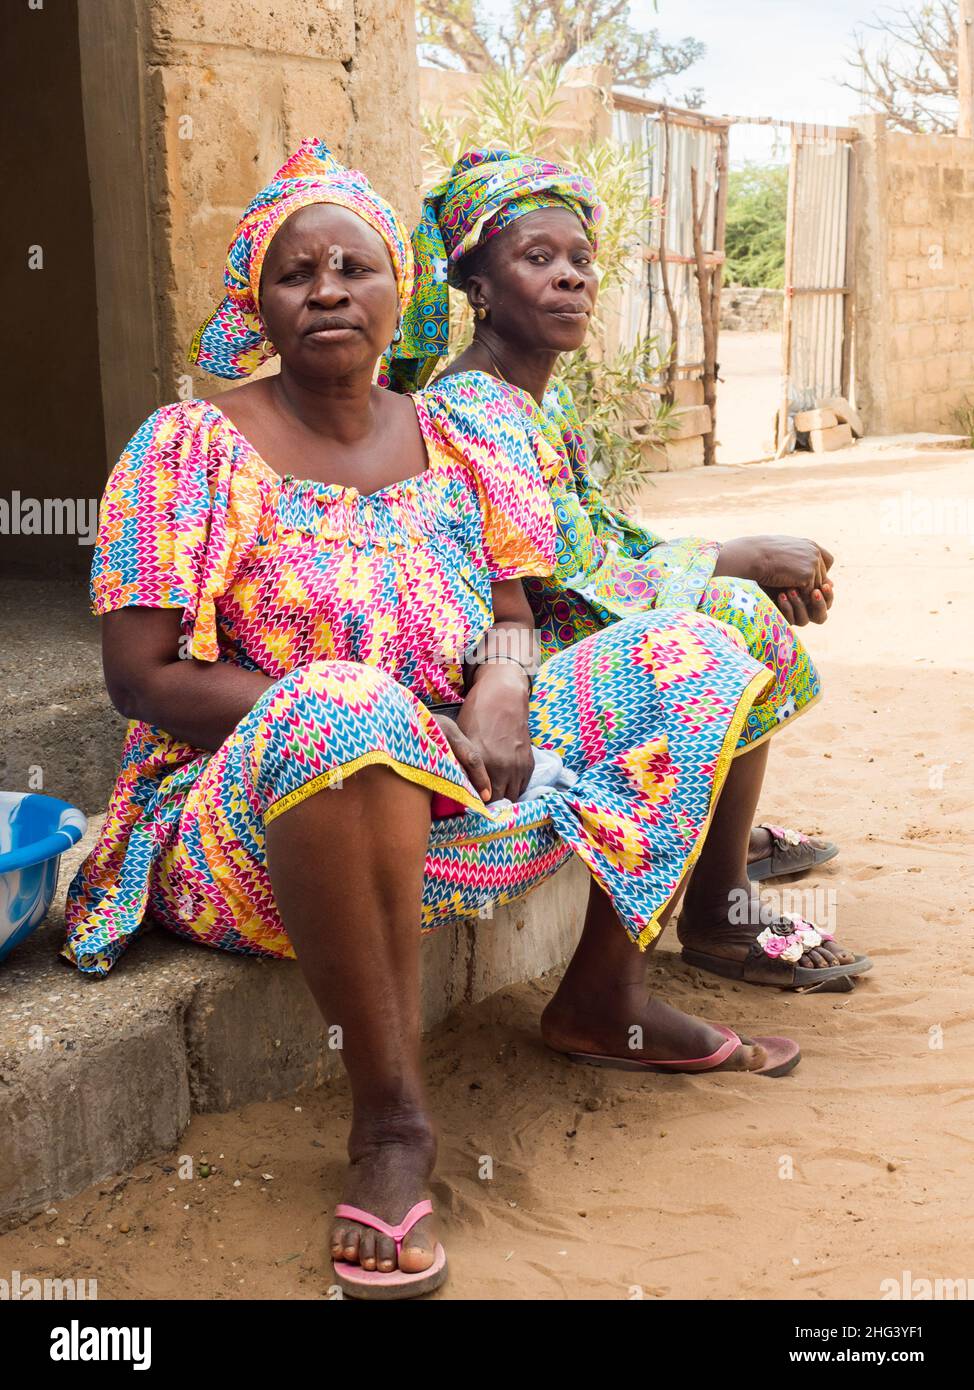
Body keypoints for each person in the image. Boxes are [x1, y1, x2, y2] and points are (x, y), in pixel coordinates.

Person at [65, 140, 811, 1300]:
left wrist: (499, 690)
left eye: (352, 267)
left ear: (395, 289)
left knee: (694, 649)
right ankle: (392, 1127)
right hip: (247, 823)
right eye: (294, 271)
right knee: (341, 709)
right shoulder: (190, 448)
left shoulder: (454, 442)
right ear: (255, 301)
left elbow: (512, 616)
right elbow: (142, 677)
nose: (325, 290)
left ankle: (600, 994)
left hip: (447, 786)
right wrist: (393, 729)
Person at [384, 146, 870, 991]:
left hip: (556, 621)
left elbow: (600, 530)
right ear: (480, 288)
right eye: (538, 260)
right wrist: (736, 559)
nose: (571, 278)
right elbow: (567, 569)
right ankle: (720, 912)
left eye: (580, 261)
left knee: (727, 599)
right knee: (732, 618)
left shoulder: (543, 395)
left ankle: (723, 822)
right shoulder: (472, 406)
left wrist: (736, 558)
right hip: (505, 655)